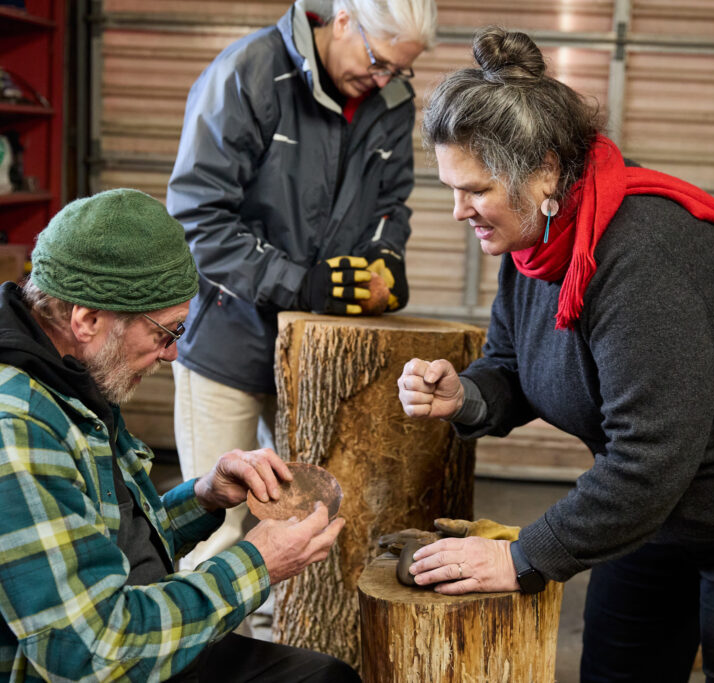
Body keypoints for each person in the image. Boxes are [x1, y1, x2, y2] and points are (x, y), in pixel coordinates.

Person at [396, 27, 714, 682]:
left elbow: (650, 455)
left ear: (545, 170)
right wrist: (466, 394)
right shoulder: (534, 245)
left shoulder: (638, 260)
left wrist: (522, 554)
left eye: (475, 190)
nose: (458, 211)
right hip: (669, 497)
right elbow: (516, 364)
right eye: (449, 188)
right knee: (618, 665)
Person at [0, 189, 357, 682]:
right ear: (87, 319)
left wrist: (208, 496)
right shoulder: (4, 431)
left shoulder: (67, 371)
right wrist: (259, 563)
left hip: (114, 636)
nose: (172, 355)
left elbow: (102, 541)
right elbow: (92, 654)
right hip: (80, 663)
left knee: (324, 677)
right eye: (165, 333)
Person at [165, 0, 437, 610]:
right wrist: (302, 284)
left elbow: (392, 208)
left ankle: (275, 655)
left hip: (315, 360)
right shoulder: (248, 74)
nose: (385, 81)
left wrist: (386, 261)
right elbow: (197, 221)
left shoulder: (388, 103)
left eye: (400, 70)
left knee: (304, 523)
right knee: (225, 525)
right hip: (228, 344)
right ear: (342, 21)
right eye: (378, 62)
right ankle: (209, 662)